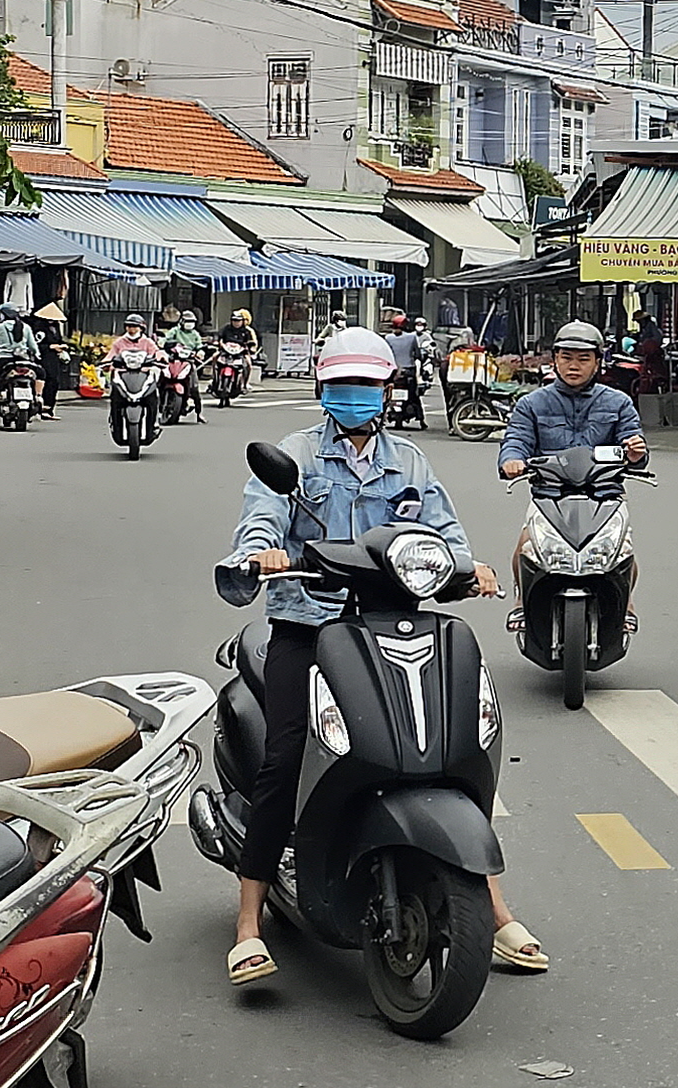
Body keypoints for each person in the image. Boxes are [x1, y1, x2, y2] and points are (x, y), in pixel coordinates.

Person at [223, 328, 553, 983]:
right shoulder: (296, 457)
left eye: (367, 385)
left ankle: (488, 904)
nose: (355, 396)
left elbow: (443, 529)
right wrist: (263, 552)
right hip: (309, 626)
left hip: (393, 623)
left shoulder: (410, 462)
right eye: (343, 385)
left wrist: (471, 566)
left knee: (456, 748)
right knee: (287, 756)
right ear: (324, 390)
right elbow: (261, 516)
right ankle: (247, 921)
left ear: (386, 390)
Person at [494, 320, 647, 636]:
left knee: (623, 550)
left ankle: (626, 601)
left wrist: (635, 452)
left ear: (597, 362)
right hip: (550, 493)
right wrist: (511, 460)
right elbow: (517, 439)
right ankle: (522, 600)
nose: (573, 365)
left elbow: (634, 441)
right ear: (555, 360)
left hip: (605, 493)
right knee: (526, 545)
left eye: (583, 358)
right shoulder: (531, 403)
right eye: (566, 357)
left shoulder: (618, 402)